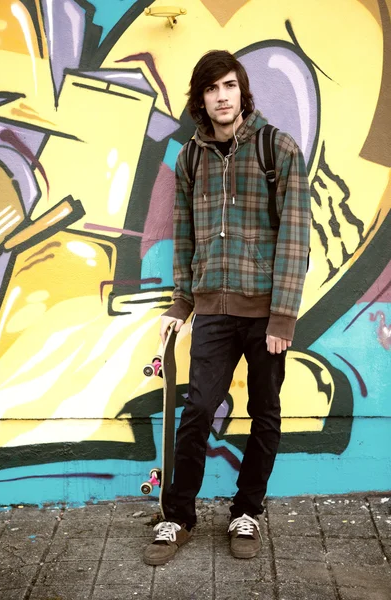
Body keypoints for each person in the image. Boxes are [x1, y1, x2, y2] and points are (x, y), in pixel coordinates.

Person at [143, 50, 311, 566]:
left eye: (230, 86)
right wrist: (181, 302)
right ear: (201, 98)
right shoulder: (189, 158)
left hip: (265, 314)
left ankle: (247, 510)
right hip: (212, 311)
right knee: (197, 409)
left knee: (265, 412)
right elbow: (185, 235)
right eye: (212, 88)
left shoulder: (277, 148)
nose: (223, 96)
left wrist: (282, 316)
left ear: (243, 92)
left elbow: (295, 236)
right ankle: (177, 515)